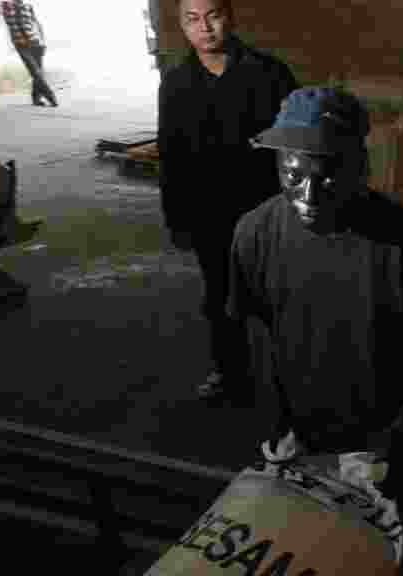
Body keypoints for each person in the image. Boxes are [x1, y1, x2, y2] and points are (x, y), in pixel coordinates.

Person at [228, 86, 403, 522]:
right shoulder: (254, 233)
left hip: (375, 446)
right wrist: (273, 420)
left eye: (329, 175)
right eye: (293, 175)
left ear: (361, 164)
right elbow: (255, 331)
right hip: (294, 438)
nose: (309, 195)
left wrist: (396, 435)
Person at [157, 0, 298, 403]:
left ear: (230, 18)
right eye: (193, 19)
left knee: (281, 299)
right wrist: (177, 218)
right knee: (220, 300)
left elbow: (296, 143)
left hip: (267, 210)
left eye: (213, 16)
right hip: (209, 214)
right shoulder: (177, 81)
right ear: (183, 26)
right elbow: (171, 154)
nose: (205, 28)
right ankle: (232, 375)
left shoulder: (270, 73)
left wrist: (299, 209)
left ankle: (297, 379)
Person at [0, 0, 57, 106]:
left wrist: (43, 41)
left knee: (38, 72)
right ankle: (51, 96)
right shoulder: (4, 6)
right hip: (21, 45)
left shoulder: (28, 6)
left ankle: (36, 99)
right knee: (35, 72)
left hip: (36, 43)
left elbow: (36, 23)